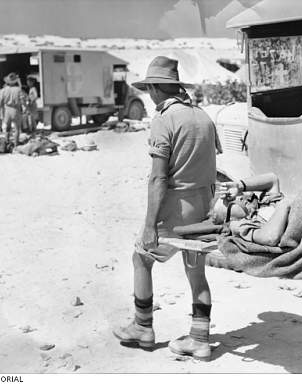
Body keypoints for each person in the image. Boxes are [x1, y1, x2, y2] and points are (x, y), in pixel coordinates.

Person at [113, 56, 221, 361]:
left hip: (176, 209)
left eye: (150, 89)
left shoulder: (164, 119)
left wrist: (150, 224)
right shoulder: (202, 116)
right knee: (195, 272)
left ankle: (142, 326)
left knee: (141, 258)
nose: (149, 95)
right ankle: (200, 339)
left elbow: (159, 177)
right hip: (204, 208)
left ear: (158, 89)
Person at [0, 73, 27, 147]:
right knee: (17, 128)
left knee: (7, 128)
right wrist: (25, 107)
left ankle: (7, 143)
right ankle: (16, 144)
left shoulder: (3, 90)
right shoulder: (18, 90)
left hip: (7, 110)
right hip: (15, 109)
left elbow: (0, 101)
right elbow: (22, 100)